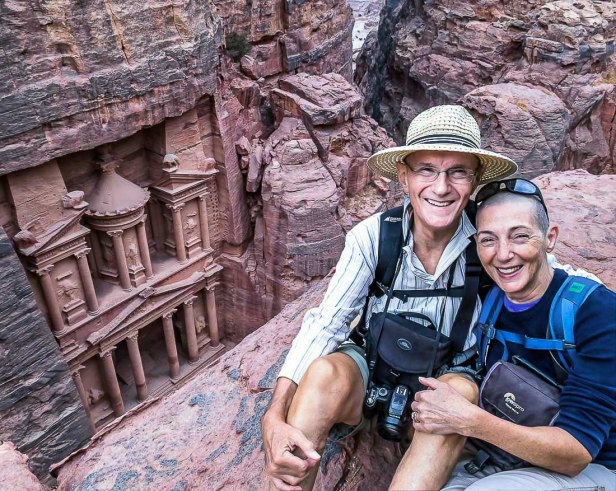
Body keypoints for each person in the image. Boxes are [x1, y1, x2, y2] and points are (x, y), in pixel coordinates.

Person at [261, 104, 521, 490]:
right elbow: (327, 322)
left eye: (458, 172)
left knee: (460, 394)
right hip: (370, 372)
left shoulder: (489, 240)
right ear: (404, 176)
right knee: (323, 374)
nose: (441, 187)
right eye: (426, 170)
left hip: (444, 382)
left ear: (476, 179)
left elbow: (542, 268)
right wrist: (274, 415)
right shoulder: (374, 236)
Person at [401, 179, 616, 490]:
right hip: (505, 456)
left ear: (550, 238)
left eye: (520, 236)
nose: (503, 255)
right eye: (488, 240)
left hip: (593, 467)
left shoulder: (595, 311)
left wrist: (469, 420)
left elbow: (576, 454)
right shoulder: (489, 298)